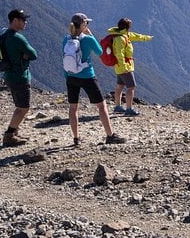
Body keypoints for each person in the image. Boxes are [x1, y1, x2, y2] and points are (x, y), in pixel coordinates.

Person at [63, 13, 126, 145]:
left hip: (70, 76)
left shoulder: (66, 39)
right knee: (101, 106)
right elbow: (100, 52)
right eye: (87, 23)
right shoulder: (88, 39)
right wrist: (90, 35)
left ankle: (76, 138)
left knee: (73, 107)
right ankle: (110, 135)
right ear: (84, 24)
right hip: (87, 76)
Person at [2, 9, 38, 147]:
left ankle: (15, 132)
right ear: (15, 20)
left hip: (9, 75)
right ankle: (9, 135)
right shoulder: (17, 38)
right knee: (23, 108)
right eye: (23, 20)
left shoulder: (5, 34)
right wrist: (25, 55)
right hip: (20, 76)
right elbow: (33, 54)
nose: (26, 22)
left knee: (19, 106)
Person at [107, 17, 153, 116]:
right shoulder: (121, 38)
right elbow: (119, 54)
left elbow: (136, 36)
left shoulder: (123, 35)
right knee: (131, 87)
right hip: (125, 67)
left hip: (119, 66)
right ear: (128, 27)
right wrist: (125, 68)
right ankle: (129, 109)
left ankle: (118, 107)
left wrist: (148, 38)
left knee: (119, 86)